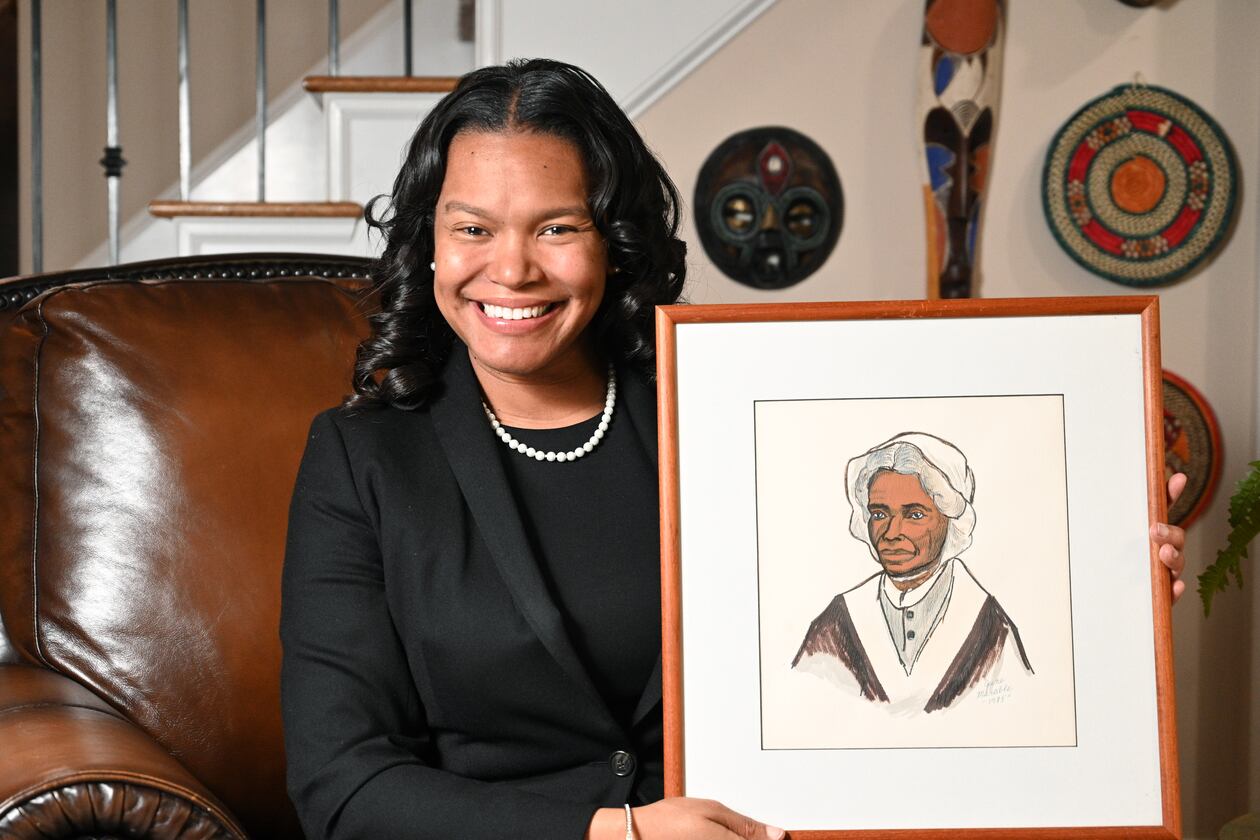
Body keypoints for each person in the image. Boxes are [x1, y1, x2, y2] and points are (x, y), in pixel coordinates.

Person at [280, 57, 1189, 840]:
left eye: (557, 227)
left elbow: (891, 614)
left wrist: (1101, 582)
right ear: (428, 244)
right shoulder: (362, 461)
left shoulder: (734, 416)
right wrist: (615, 832)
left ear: (614, 242)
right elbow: (342, 786)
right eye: (472, 228)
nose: (511, 269)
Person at [792, 432, 1033, 714]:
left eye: (914, 515)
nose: (892, 533)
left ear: (951, 519)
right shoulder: (835, 623)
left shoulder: (991, 627)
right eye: (880, 514)